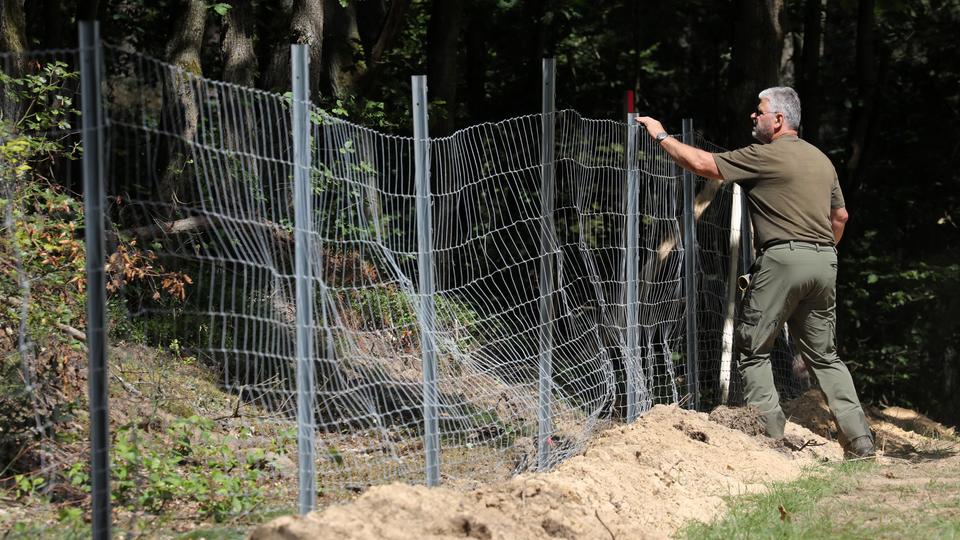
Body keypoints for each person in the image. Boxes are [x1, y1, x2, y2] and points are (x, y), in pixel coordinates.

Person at [635, 87, 875, 458]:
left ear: (778, 120)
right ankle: (859, 440)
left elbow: (703, 165)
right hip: (825, 260)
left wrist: (661, 135)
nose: (753, 116)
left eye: (759, 111)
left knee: (753, 348)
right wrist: (820, 250)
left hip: (781, 260)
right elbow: (840, 217)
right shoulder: (822, 161)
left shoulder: (765, 156)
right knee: (824, 356)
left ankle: (771, 437)